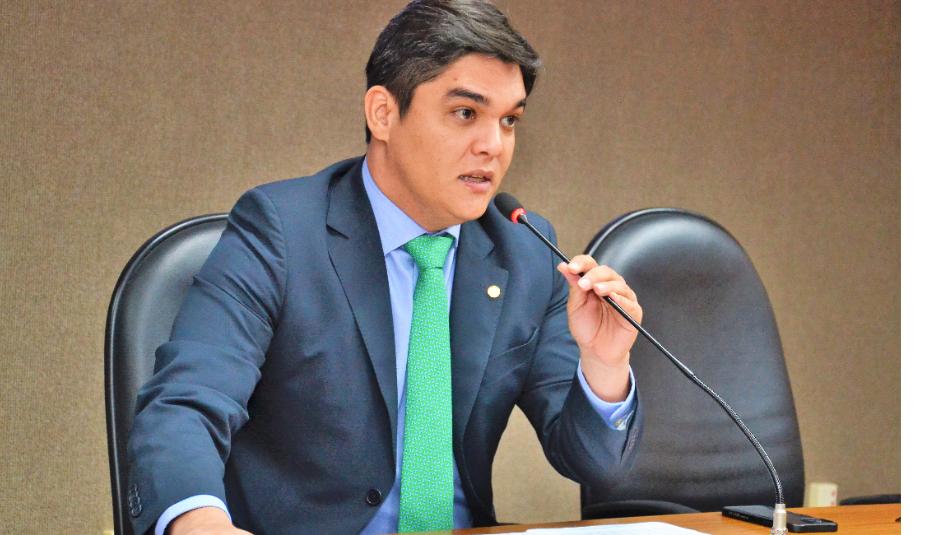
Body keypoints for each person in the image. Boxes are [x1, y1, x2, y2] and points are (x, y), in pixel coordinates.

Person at [127, 1, 644, 534]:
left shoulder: (524, 251)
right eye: (466, 114)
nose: (493, 146)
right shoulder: (282, 232)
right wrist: (199, 523)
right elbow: (185, 407)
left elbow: (593, 464)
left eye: (509, 120)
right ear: (383, 114)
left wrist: (604, 366)